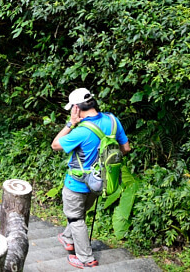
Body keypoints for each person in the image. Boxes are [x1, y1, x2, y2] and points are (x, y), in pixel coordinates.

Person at [51, 88, 131, 269]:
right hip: (101, 181)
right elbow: (125, 149)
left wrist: (70, 124)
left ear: (76, 108)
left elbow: (55, 145)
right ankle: (68, 239)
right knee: (80, 214)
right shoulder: (112, 121)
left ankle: (86, 258)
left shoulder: (80, 131)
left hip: (77, 183)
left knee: (75, 219)